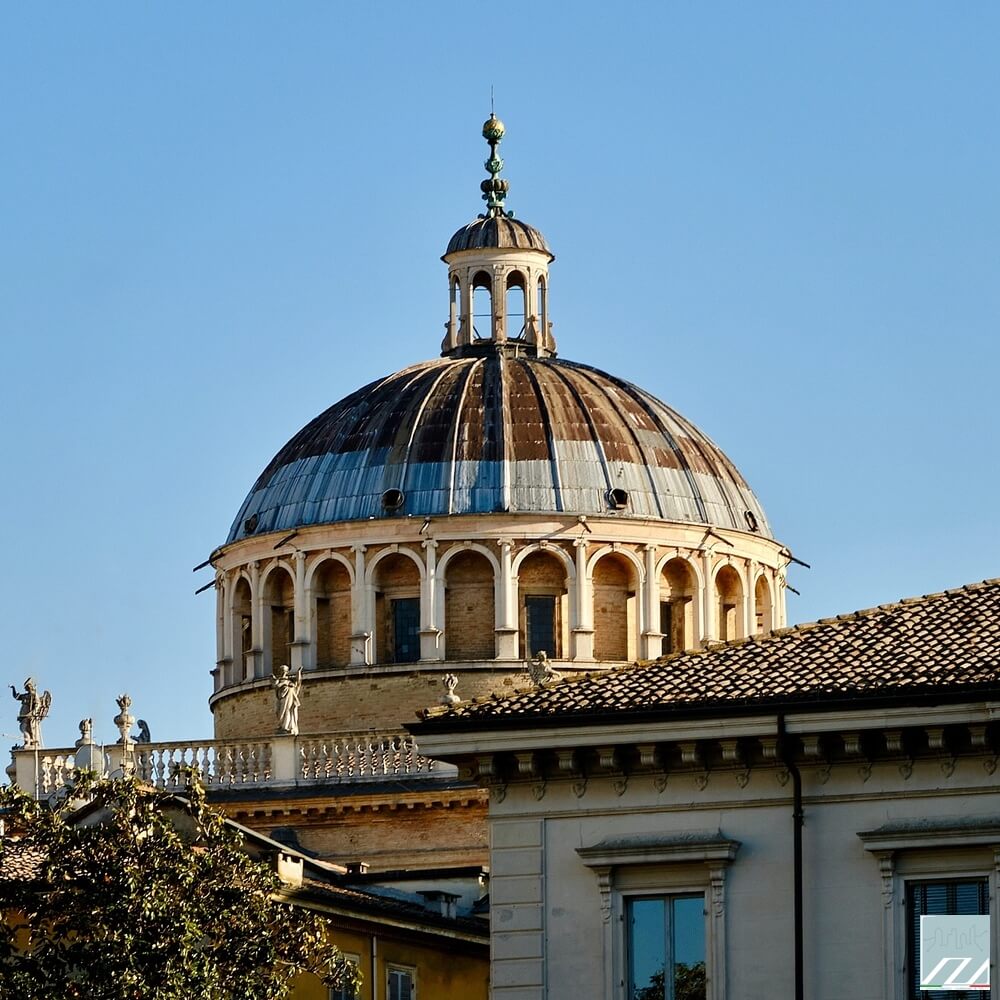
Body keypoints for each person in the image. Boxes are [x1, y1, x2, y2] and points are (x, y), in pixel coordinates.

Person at [10, 678, 51, 748]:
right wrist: (13, 688)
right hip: (24, 715)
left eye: (28, 686)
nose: (27, 688)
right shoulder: (26, 695)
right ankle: (28, 742)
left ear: (31, 686)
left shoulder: (34, 695)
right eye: (26, 687)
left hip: (29, 715)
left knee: (24, 728)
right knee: (24, 728)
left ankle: (29, 742)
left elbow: (37, 705)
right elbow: (16, 697)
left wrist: (32, 713)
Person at [273, 664, 303, 736]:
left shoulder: (290, 680)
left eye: (284, 670)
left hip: (290, 698)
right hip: (282, 699)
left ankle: (286, 727)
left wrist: (298, 672)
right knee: (279, 712)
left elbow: (298, 681)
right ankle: (282, 726)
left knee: (288, 711)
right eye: (281, 670)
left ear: (287, 671)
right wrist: (283, 684)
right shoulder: (279, 680)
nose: (283, 672)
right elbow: (276, 686)